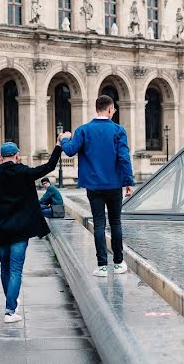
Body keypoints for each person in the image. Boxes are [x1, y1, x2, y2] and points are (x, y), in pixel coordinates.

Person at [0, 141, 63, 323]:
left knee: (5, 267)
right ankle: (10, 309)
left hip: (0, 229)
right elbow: (49, 166)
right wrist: (57, 146)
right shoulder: (24, 172)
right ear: (17, 156)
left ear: (0, 158)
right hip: (20, 230)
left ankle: (11, 299)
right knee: (16, 269)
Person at [60, 95, 135, 277]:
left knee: (99, 223)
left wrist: (64, 138)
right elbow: (124, 158)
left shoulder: (83, 130)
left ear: (96, 109)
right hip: (114, 184)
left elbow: (69, 151)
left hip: (93, 186)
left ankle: (102, 266)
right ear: (109, 109)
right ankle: (118, 263)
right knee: (115, 223)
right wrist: (129, 182)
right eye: (114, 110)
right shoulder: (118, 130)